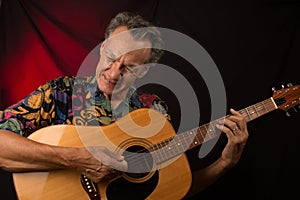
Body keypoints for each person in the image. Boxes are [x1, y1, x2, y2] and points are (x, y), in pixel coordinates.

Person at [0, 11, 249, 199]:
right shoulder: (61, 93)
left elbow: (172, 189)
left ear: (145, 71)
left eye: (128, 67)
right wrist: (77, 158)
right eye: (110, 57)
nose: (113, 72)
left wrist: (223, 164)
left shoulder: (155, 111)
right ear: (103, 47)